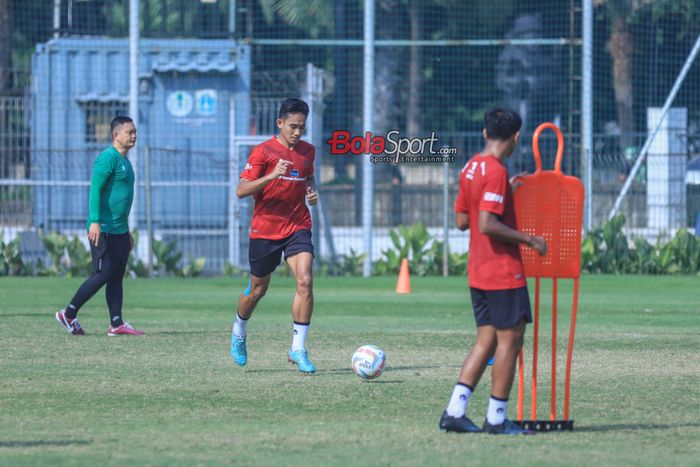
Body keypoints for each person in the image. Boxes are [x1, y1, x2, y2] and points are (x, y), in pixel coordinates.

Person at [439, 108, 547, 434]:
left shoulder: (471, 166)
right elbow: (487, 224)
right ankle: (497, 419)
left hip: (478, 270)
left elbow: (462, 222)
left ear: (485, 133)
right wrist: (530, 239)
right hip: (503, 271)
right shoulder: (496, 171)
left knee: (485, 340)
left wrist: (499, 194)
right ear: (515, 137)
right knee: (509, 342)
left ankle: (455, 412)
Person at [230, 98, 318, 374]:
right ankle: (239, 330)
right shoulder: (263, 152)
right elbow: (241, 190)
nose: (297, 132)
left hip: (297, 225)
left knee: (305, 280)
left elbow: (307, 177)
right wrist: (271, 177)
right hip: (265, 229)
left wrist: (310, 192)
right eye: (293, 126)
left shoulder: (308, 151)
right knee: (258, 290)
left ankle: (298, 349)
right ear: (279, 123)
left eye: (302, 127)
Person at [55, 116, 144, 336]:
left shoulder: (125, 161)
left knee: (116, 275)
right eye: (129, 132)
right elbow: (95, 189)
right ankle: (68, 314)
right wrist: (94, 221)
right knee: (103, 273)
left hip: (119, 230)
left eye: (135, 132)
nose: (133, 135)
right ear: (116, 135)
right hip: (103, 228)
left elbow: (121, 200)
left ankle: (116, 324)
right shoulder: (108, 158)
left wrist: (126, 231)